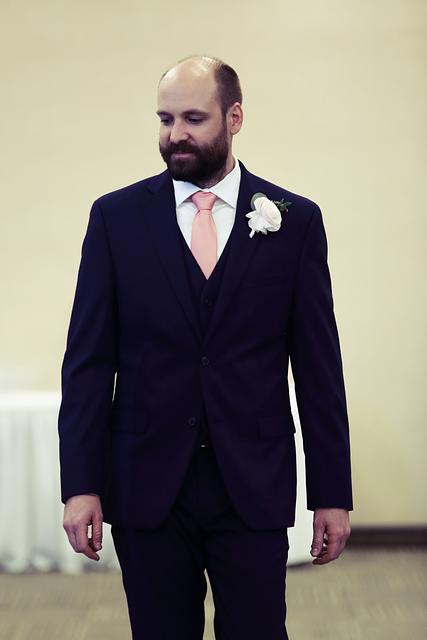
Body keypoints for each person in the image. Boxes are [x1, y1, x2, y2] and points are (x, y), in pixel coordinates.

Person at [59, 54, 353, 639]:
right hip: (147, 486)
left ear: (234, 118)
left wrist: (332, 493)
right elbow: (89, 363)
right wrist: (81, 484)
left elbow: (319, 368)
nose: (176, 135)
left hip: (253, 485)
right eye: (165, 119)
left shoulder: (294, 222)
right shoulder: (116, 219)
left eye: (193, 118)